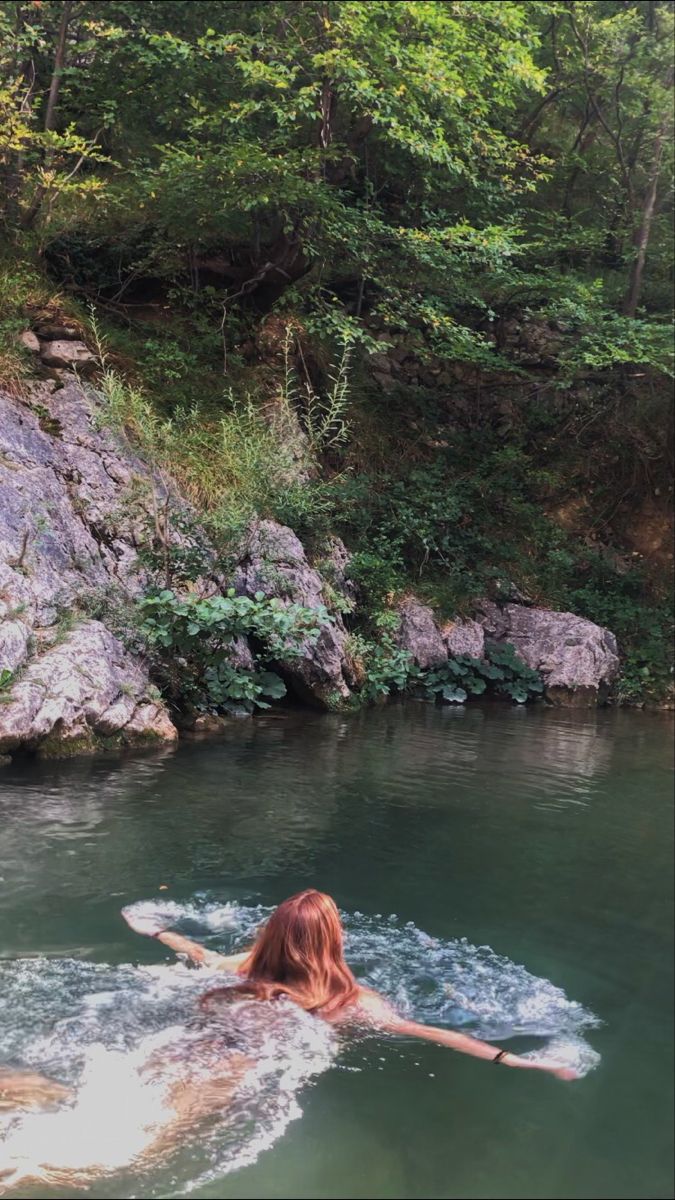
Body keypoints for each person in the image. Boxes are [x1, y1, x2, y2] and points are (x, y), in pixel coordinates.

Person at [122, 889, 577, 1080]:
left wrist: (157, 931)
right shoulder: (354, 1000)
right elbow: (431, 1033)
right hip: (253, 1059)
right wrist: (518, 1061)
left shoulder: (245, 967)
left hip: (202, 1036)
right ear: (333, 939)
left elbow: (201, 957)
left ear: (273, 934)